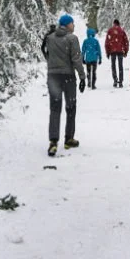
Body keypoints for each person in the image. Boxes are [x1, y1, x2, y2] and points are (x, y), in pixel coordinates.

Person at [45, 14, 86, 156]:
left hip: (53, 77)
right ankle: (69, 138)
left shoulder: (50, 37)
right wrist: (82, 77)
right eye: (72, 23)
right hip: (68, 77)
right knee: (71, 107)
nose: (74, 26)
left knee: (55, 109)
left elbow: (46, 53)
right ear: (67, 25)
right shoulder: (72, 39)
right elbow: (76, 59)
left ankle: (53, 142)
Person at [104, 18, 129, 87]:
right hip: (120, 50)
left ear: (114, 23)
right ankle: (120, 81)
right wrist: (125, 51)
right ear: (119, 23)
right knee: (120, 66)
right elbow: (126, 41)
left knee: (113, 66)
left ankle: (115, 80)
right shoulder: (122, 31)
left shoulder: (110, 31)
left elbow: (107, 42)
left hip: (113, 51)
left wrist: (108, 52)